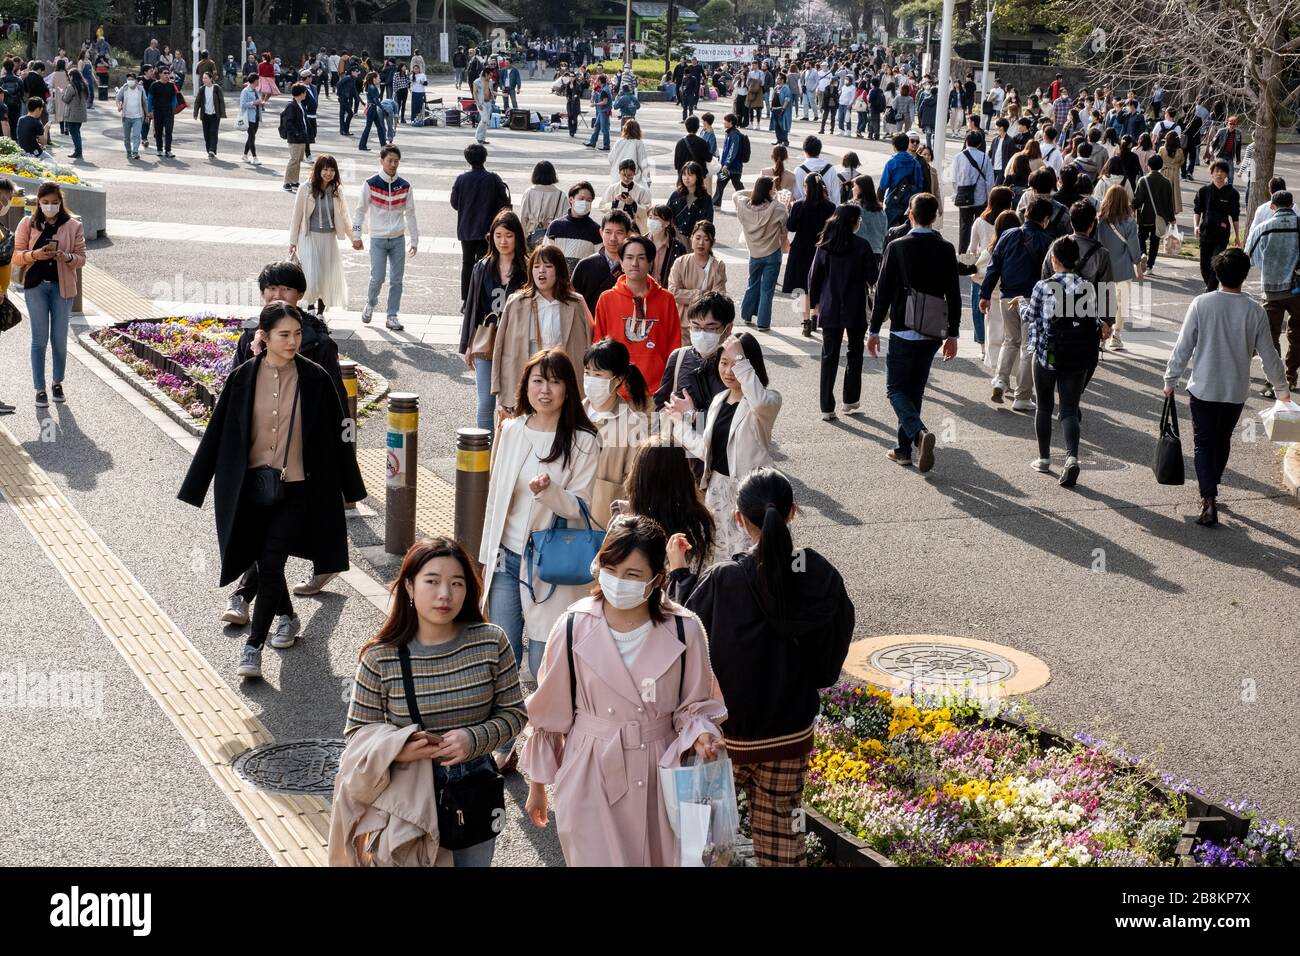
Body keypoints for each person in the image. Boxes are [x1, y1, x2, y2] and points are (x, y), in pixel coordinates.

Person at [667, 467, 852, 866]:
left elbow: (682, 634)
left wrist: (679, 573)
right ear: (793, 512)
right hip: (790, 735)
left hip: (721, 741)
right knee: (784, 840)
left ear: (739, 519)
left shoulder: (724, 580)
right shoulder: (819, 576)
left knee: (705, 842)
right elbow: (827, 666)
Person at [521, 514, 726, 866]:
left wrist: (702, 735)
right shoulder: (572, 624)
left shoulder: (684, 629)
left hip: (659, 771)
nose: (618, 582)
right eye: (610, 569)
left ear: (656, 579)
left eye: (632, 575)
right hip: (589, 770)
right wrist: (537, 787)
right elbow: (550, 713)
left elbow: (696, 706)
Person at [179, 303, 366, 679]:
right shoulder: (243, 378)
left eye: (297, 334)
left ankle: (253, 647)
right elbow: (219, 434)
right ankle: (289, 618)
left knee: (272, 562)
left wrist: (349, 486)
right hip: (250, 491)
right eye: (284, 335)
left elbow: (338, 435)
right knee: (264, 562)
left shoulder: (315, 379)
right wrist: (196, 484)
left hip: (297, 490)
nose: (293, 341)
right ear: (262, 337)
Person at [335, 537, 526, 867]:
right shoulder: (381, 658)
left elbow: (514, 713)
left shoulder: (491, 642)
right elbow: (357, 736)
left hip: (474, 792)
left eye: (456, 583)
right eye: (432, 581)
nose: (445, 594)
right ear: (409, 586)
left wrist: (474, 739)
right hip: (406, 795)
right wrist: (400, 749)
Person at [478, 347, 600, 747]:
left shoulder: (583, 440)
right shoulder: (512, 429)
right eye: (537, 380)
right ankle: (505, 743)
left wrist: (551, 493)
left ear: (568, 388)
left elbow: (582, 509)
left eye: (554, 381)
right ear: (525, 385)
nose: (545, 390)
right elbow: (495, 499)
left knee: (543, 659)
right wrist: (485, 559)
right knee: (504, 653)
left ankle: (547, 743)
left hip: (552, 563)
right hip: (506, 557)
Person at [1163, 249, 1290, 526]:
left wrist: (1170, 379)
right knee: (1222, 440)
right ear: (1245, 276)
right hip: (1235, 391)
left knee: (1203, 444)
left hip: (1204, 388)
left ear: (1217, 273)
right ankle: (1212, 486)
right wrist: (1282, 389)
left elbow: (1183, 347)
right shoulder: (1254, 310)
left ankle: (1208, 498)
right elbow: (1269, 354)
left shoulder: (1201, 304)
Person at [666, 332, 781, 558]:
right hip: (717, 491)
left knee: (751, 559)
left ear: (750, 365)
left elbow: (758, 401)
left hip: (751, 494)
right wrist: (683, 421)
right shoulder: (719, 400)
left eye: (736, 363)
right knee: (719, 560)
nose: (728, 371)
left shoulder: (768, 400)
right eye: (724, 362)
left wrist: (740, 359)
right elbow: (707, 450)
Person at [869, 193, 961, 472]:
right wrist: (953, 335)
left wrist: (873, 329)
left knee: (896, 389)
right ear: (935, 217)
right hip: (933, 331)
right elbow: (954, 295)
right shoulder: (946, 249)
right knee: (915, 390)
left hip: (902, 327)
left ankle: (917, 435)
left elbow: (882, 291)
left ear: (910, 214)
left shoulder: (897, 247)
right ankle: (903, 449)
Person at [1013, 236, 1111, 487]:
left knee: (1044, 407)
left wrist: (1021, 304)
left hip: (1048, 355)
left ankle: (1044, 459)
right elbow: (1093, 318)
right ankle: (1071, 458)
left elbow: (1031, 317)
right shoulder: (1087, 286)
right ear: (1076, 260)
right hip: (1078, 355)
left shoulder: (1043, 287)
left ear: (1053, 260)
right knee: (1068, 409)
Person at [492, 244, 593, 418]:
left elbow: (589, 345)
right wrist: (499, 391)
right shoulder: (516, 302)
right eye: (536, 266)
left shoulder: (576, 303)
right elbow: (500, 347)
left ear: (559, 270)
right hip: (523, 382)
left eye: (548, 266)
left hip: (563, 383)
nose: (541, 271)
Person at [14, 182, 86, 409]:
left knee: (59, 339)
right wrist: (35, 254)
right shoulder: (28, 223)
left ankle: (57, 383)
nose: (50, 207)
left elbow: (81, 257)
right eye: (45, 203)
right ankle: (40, 388)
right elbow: (16, 255)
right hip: (35, 286)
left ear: (61, 202)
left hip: (61, 288)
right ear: (39, 203)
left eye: (54, 203)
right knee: (39, 339)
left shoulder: (73, 225)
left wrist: (65, 257)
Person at [809, 204, 880, 420]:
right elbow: (873, 277)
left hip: (830, 306)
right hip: (855, 305)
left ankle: (826, 407)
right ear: (853, 222)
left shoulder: (824, 246)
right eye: (858, 220)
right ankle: (850, 399)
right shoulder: (862, 246)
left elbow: (814, 278)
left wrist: (814, 304)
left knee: (829, 356)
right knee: (855, 353)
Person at [459, 210, 528, 431]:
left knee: (514, 401)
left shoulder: (528, 268)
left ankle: (507, 455)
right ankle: (485, 459)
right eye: (498, 235)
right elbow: (473, 308)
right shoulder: (482, 267)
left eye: (508, 235)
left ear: (517, 236)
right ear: (491, 237)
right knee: (485, 403)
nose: (503, 241)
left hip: (517, 342)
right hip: (487, 339)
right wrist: (468, 345)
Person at [593, 235, 682, 390]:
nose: (634, 263)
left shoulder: (666, 299)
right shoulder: (607, 299)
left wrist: (669, 386)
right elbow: (598, 345)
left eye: (641, 258)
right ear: (621, 262)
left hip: (656, 389)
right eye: (629, 257)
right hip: (616, 389)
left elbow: (674, 345)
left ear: (650, 262)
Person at [582, 338, 652, 526]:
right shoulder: (571, 413)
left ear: (618, 379)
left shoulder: (634, 425)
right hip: (564, 523)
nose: (590, 380)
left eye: (598, 374)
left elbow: (635, 484)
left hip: (604, 524)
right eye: (587, 373)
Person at [353, 144, 418, 331]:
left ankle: (392, 315)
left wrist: (414, 240)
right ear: (381, 161)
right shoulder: (370, 183)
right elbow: (359, 211)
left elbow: (410, 213)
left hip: (398, 238)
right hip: (377, 238)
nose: (393, 164)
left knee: (397, 280)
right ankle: (370, 303)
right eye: (389, 160)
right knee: (377, 277)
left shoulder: (404, 186)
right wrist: (356, 235)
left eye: (396, 161)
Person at [1245, 190, 1300, 396]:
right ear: (1292, 205)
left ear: (1272, 206)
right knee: (1297, 335)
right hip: (1298, 291)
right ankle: (1290, 374)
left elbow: (1248, 257)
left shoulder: (1264, 228)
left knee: (1270, 336)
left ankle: (1273, 380)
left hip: (1272, 289)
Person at [289, 154, 354, 314]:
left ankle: (320, 314)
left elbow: (345, 216)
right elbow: (296, 215)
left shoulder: (337, 190)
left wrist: (355, 239)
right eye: (325, 169)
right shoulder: (306, 188)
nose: (328, 173)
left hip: (328, 238)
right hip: (308, 236)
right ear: (318, 170)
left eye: (332, 170)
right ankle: (310, 309)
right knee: (312, 276)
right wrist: (292, 242)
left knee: (326, 277)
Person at [450, 142, 511, 303]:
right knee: (487, 263)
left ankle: (467, 299)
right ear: (484, 158)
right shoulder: (493, 178)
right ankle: (483, 297)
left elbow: (454, 203)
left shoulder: (461, 179)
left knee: (467, 263)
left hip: (467, 228)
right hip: (488, 229)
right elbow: (503, 201)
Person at [734, 177, 790, 331]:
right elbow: (785, 228)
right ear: (768, 190)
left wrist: (754, 192)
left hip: (754, 252)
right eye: (773, 187)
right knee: (767, 289)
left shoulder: (744, 205)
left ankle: (746, 315)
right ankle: (763, 323)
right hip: (772, 252)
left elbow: (736, 194)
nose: (775, 190)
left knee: (752, 284)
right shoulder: (778, 208)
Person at [1096, 185, 1144, 351]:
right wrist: (1138, 264)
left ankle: (1101, 335)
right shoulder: (1130, 222)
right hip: (1123, 266)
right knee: (1122, 302)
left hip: (1102, 267)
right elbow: (1133, 245)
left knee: (1103, 301)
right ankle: (1116, 336)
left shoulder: (1099, 221)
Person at [1193, 160, 1241, 293]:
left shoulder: (1232, 193)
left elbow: (1235, 216)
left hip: (1222, 235)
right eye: (1216, 171)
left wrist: (1237, 236)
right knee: (1204, 266)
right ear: (1212, 173)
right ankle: (1211, 288)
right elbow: (1197, 211)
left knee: (1216, 263)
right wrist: (1196, 226)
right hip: (1205, 233)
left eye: (1222, 171)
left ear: (1226, 174)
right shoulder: (1204, 191)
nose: (1219, 174)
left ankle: (1210, 291)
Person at [572, 211, 631, 316]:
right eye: (608, 232)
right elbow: (572, 302)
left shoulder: (633, 267)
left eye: (619, 233)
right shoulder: (585, 265)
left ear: (628, 234)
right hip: (590, 327)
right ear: (601, 232)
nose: (613, 238)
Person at [667, 221, 728, 322]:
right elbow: (673, 292)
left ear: (712, 242)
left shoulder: (718, 265)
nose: (701, 243)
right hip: (682, 320)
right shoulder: (680, 262)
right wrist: (703, 294)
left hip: (708, 320)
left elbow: (718, 296)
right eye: (698, 238)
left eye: (706, 239)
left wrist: (688, 295)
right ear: (691, 238)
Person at [1132, 153, 1176, 275]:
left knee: (1140, 236)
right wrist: (1172, 219)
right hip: (1161, 217)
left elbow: (1138, 200)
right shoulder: (1167, 182)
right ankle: (1150, 266)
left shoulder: (1143, 180)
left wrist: (1131, 209)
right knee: (1155, 242)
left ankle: (1142, 253)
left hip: (1145, 216)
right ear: (1161, 166)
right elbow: (1169, 203)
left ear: (1148, 166)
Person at [951, 130, 994, 253]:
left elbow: (954, 180)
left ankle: (963, 257)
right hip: (981, 198)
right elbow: (990, 181)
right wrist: (988, 197)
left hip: (963, 197)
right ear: (980, 143)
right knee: (981, 227)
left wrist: (957, 192)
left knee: (964, 228)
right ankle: (979, 256)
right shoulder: (985, 157)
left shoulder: (958, 157)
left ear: (966, 141)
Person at [544, 182, 602, 273]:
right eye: (581, 199)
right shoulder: (555, 226)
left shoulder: (595, 230)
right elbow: (546, 255)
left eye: (589, 200)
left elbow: (599, 260)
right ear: (571, 199)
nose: (585, 203)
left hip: (583, 281)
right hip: (558, 279)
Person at [878, 133, 925, 228]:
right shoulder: (915, 163)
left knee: (890, 232)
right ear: (907, 144)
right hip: (910, 204)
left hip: (894, 202)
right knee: (908, 232)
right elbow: (920, 185)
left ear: (894, 146)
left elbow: (883, 185)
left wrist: (880, 200)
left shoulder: (891, 162)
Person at [521, 160, 569, 250]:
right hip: (554, 240)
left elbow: (523, 218)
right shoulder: (561, 195)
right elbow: (565, 220)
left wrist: (523, 239)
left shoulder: (529, 192)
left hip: (532, 237)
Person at [602, 159, 652, 236]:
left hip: (635, 228)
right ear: (619, 172)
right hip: (615, 226)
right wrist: (614, 203)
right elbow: (602, 207)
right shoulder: (612, 189)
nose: (626, 178)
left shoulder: (641, 191)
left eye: (629, 175)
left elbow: (648, 211)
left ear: (634, 173)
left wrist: (633, 204)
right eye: (623, 175)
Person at [667, 161, 713, 244]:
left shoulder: (706, 198)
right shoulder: (676, 195)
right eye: (684, 175)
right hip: (677, 240)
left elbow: (708, 223)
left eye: (690, 175)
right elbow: (667, 216)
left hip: (696, 241)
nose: (686, 178)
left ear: (697, 177)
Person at [644, 205, 685, 288]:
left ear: (666, 223)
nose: (652, 221)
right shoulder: (640, 243)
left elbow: (681, 275)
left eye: (656, 218)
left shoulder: (678, 247)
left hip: (666, 292)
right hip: (644, 291)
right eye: (650, 217)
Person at [792, 134, 841, 203]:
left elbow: (797, 194)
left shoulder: (799, 170)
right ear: (819, 150)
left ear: (805, 151)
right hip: (826, 210)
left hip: (806, 210)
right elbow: (836, 195)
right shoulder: (830, 169)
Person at [190, 70, 224, 159]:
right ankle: (209, 149)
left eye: (206, 78)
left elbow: (221, 101)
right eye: (203, 78)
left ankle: (212, 150)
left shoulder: (216, 88)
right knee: (206, 133)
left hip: (214, 115)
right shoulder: (202, 89)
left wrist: (221, 113)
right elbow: (197, 102)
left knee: (213, 132)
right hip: (205, 115)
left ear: (211, 79)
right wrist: (195, 113)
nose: (204, 80)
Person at [609, 117, 650, 190]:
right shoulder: (638, 143)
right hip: (632, 178)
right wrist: (647, 178)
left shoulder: (619, 142)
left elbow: (611, 159)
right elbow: (643, 162)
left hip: (617, 176)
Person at [115, 71, 147, 160]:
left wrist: (147, 114)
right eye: (128, 79)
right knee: (126, 137)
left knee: (136, 135)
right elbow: (118, 99)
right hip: (126, 117)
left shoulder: (140, 89)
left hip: (138, 117)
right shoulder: (124, 88)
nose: (130, 81)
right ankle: (129, 151)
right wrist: (119, 106)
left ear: (136, 80)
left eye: (132, 79)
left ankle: (135, 152)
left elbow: (145, 102)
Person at [61, 68, 89, 160]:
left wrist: (62, 93)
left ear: (72, 76)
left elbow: (66, 99)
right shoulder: (83, 85)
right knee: (77, 132)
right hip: (81, 114)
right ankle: (78, 151)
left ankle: (78, 152)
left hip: (72, 114)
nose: (69, 77)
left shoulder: (71, 86)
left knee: (74, 133)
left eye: (69, 75)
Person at [358, 71, 388, 150]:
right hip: (372, 109)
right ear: (374, 79)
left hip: (372, 108)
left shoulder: (371, 86)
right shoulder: (372, 87)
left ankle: (383, 144)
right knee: (369, 128)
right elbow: (376, 100)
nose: (380, 79)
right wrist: (383, 109)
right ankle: (362, 145)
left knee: (379, 127)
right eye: (378, 78)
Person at [585, 73, 611, 150]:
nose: (596, 82)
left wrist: (595, 104)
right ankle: (592, 142)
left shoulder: (604, 90)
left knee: (604, 129)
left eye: (597, 80)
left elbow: (605, 102)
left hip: (604, 111)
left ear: (600, 81)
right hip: (602, 111)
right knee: (596, 126)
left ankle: (606, 145)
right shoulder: (605, 88)